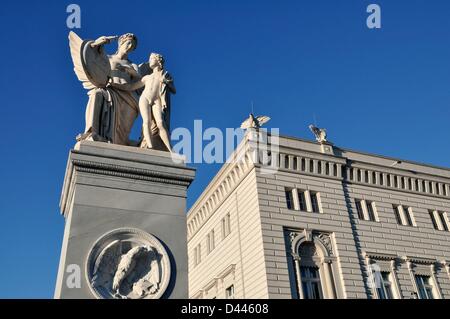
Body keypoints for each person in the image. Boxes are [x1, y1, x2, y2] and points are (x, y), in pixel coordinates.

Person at [112, 53, 176, 152]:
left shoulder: (165, 74)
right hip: (145, 98)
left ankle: (170, 149)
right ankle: (150, 147)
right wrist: (115, 85)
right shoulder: (147, 77)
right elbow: (131, 87)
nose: (149, 60)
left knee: (160, 123)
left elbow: (173, 90)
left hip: (156, 100)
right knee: (146, 122)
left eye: (152, 58)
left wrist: (166, 82)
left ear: (158, 61)